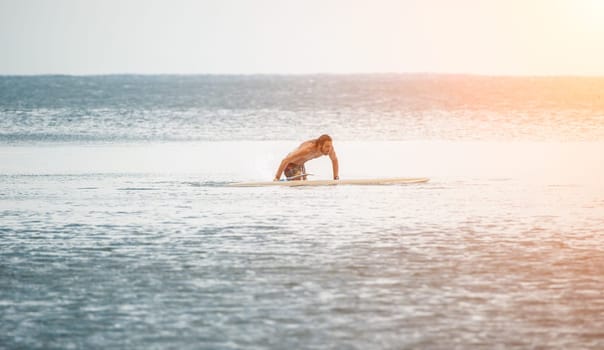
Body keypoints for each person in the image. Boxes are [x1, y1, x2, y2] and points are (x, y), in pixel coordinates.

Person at [274, 134, 339, 181]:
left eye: (330, 146)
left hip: (301, 166)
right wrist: (277, 178)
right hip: (289, 165)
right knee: (299, 181)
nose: (329, 149)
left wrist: (336, 178)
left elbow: (334, 160)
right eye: (327, 146)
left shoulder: (330, 149)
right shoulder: (308, 149)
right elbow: (285, 160)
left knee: (305, 185)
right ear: (320, 145)